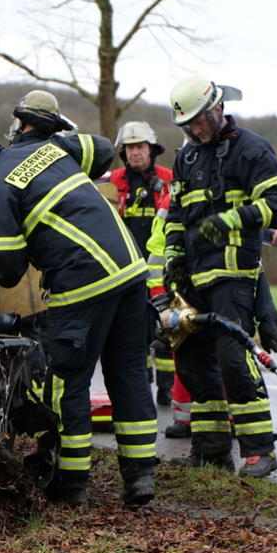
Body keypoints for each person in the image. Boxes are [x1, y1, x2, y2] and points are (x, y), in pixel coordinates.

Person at [0, 100, 157, 508]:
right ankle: (139, 477)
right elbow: (102, 151)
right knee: (129, 375)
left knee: (69, 381)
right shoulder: (44, 148)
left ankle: (71, 486)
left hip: (83, 281)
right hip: (132, 270)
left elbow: (9, 270)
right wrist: (54, 129)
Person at [161, 75, 277, 478]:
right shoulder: (186, 158)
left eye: (200, 121)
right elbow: (177, 217)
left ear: (217, 108)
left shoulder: (252, 150)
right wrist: (172, 258)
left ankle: (260, 451)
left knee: (234, 359)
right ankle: (212, 450)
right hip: (192, 281)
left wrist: (232, 220)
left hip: (234, 275)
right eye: (188, 125)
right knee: (191, 363)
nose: (195, 130)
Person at [106, 121, 183, 415]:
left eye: (140, 147)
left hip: (162, 269)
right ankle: (143, 384)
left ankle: (167, 388)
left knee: (166, 330)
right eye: (129, 148)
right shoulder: (113, 181)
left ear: (152, 149)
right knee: (134, 332)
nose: (134, 152)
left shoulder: (170, 179)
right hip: (126, 271)